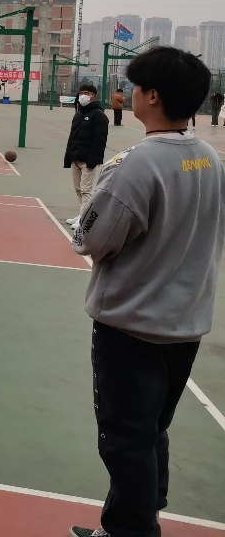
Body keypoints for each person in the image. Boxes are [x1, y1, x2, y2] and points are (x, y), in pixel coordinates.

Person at [69, 47, 223, 537]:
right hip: (185, 322)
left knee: (124, 441)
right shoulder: (209, 157)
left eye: (135, 86)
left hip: (131, 325)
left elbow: (92, 238)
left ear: (152, 96)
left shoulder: (135, 164)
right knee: (151, 429)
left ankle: (135, 531)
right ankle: (130, 520)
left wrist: (82, 228)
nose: (129, 93)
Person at [63, 84, 109, 231]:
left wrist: (93, 160)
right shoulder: (78, 114)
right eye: (81, 92)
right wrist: (68, 157)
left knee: (86, 190)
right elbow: (72, 137)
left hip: (89, 161)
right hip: (75, 158)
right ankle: (82, 214)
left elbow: (100, 140)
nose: (83, 95)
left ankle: (85, 219)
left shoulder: (99, 115)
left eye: (87, 93)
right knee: (78, 190)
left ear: (93, 96)